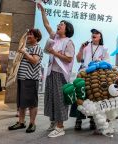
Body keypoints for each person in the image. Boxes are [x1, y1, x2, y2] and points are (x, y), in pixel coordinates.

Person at [37, 3, 75, 137]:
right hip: (50, 73)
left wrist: (54, 52)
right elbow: (47, 25)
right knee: (50, 98)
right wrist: (43, 12)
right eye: (59, 23)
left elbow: (69, 59)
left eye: (62, 24)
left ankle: (60, 127)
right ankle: (53, 122)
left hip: (61, 75)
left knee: (59, 100)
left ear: (67, 29)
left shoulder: (68, 42)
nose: (59, 25)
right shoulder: (55, 37)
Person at [71, 28, 109, 130]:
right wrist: (81, 49)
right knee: (80, 95)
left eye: (96, 33)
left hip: (96, 75)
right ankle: (78, 119)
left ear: (100, 36)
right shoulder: (86, 46)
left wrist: (100, 62)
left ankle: (92, 120)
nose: (94, 34)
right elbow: (79, 60)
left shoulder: (104, 48)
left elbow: (107, 62)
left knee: (94, 96)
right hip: (83, 73)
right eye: (93, 32)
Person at [8, 28, 43, 133]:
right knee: (21, 103)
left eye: (31, 34)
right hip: (22, 78)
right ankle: (21, 122)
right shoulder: (26, 47)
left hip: (31, 79)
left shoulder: (37, 48)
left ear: (36, 37)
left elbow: (34, 61)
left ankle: (32, 123)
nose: (28, 36)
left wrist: (24, 53)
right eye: (28, 34)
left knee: (32, 103)